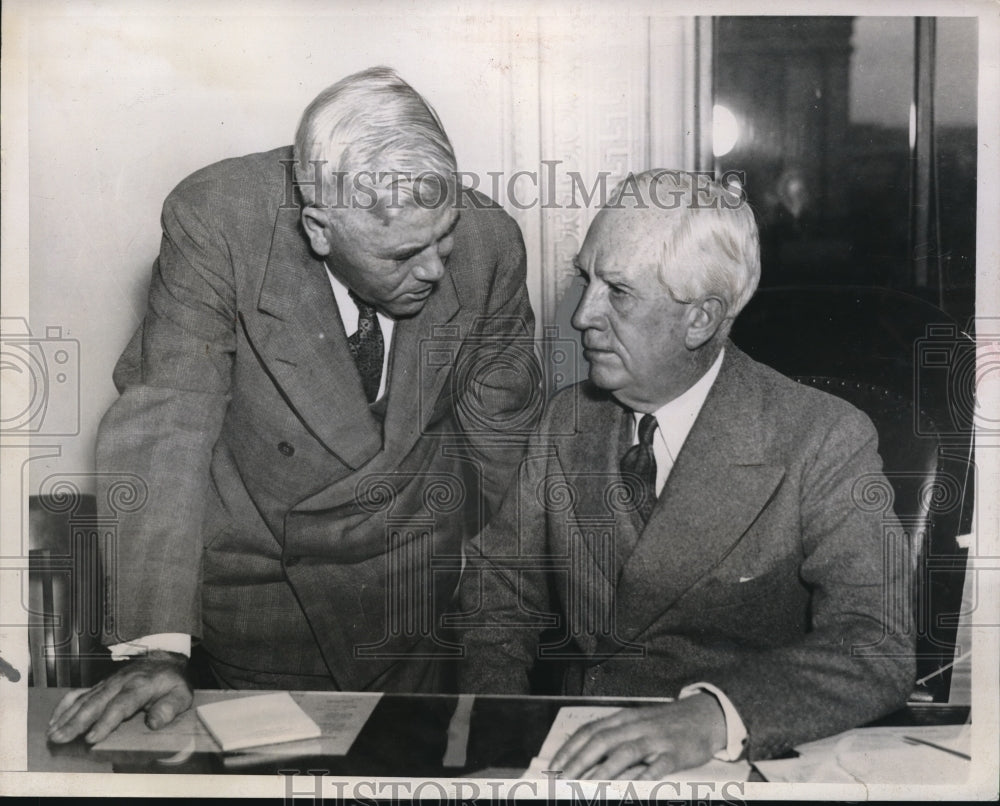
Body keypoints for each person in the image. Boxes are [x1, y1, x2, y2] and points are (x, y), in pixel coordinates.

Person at [48, 67, 539, 744]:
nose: (433, 268)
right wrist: (157, 648)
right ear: (319, 226)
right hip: (262, 603)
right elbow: (167, 421)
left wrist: (498, 642)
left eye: (443, 235)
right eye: (402, 252)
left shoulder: (490, 246)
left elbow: (505, 454)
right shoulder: (219, 221)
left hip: (415, 609)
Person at [456, 169, 915, 778]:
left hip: (737, 761)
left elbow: (874, 644)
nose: (582, 315)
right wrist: (496, 737)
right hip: (579, 758)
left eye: (618, 291)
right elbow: (497, 599)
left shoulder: (823, 439)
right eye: (584, 278)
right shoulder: (564, 419)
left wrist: (712, 717)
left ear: (701, 319)